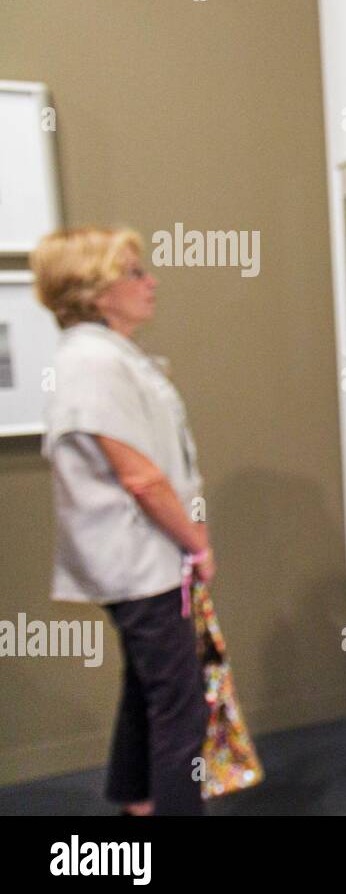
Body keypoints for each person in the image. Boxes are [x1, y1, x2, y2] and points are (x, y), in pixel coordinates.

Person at [31, 226, 212, 816]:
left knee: (148, 685)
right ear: (94, 289)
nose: (149, 281)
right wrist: (197, 542)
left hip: (140, 558)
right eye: (134, 272)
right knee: (179, 707)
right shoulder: (93, 364)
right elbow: (141, 478)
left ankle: (136, 800)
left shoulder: (102, 356)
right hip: (143, 562)